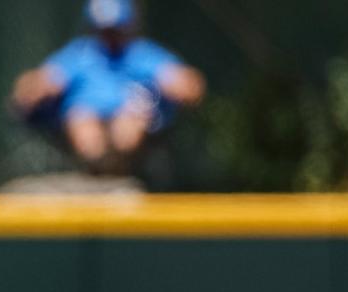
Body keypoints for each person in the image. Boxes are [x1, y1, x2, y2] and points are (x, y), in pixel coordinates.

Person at [11, 0, 204, 175]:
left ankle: (118, 170)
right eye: (104, 30)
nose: (110, 36)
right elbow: (32, 87)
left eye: (115, 29)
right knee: (82, 119)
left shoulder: (143, 54)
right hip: (84, 124)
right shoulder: (80, 54)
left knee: (128, 122)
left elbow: (190, 86)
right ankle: (97, 171)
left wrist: (179, 84)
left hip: (133, 124)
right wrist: (39, 86)